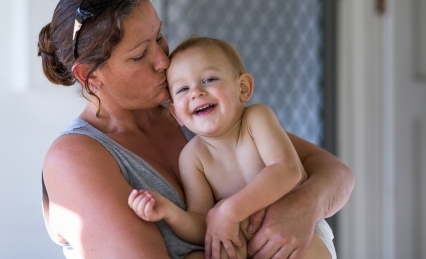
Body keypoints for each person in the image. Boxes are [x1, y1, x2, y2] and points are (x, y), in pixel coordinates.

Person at [37, 0, 354, 259]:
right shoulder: (74, 158)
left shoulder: (197, 113)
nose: (163, 60)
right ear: (90, 78)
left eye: (159, 37)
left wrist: (304, 205)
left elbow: (335, 173)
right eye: (139, 55)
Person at [128, 36, 335, 259]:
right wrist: (170, 213)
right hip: (253, 247)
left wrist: (230, 211)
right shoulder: (193, 157)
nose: (196, 92)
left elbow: (287, 170)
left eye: (209, 79)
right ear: (176, 114)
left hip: (301, 235)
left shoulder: (256, 119)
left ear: (243, 88)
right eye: (183, 89)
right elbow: (204, 223)